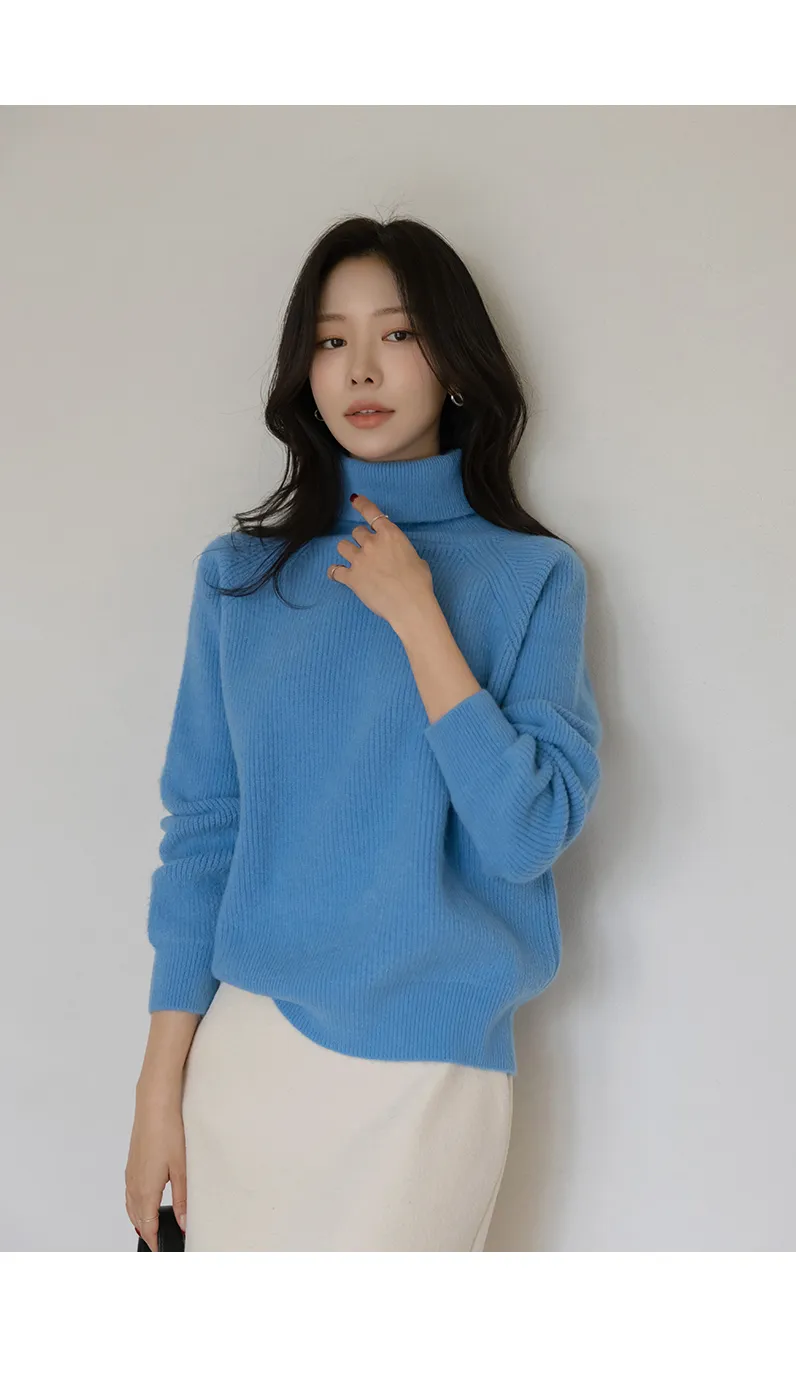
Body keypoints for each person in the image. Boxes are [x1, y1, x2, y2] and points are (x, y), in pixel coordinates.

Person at [125, 214, 603, 1251]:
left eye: (397, 333)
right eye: (331, 340)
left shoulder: (533, 578)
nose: (360, 369)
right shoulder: (240, 579)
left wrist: (418, 614)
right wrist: (159, 1087)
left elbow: (524, 833)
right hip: (247, 1056)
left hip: (427, 1073)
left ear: (454, 361)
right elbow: (205, 832)